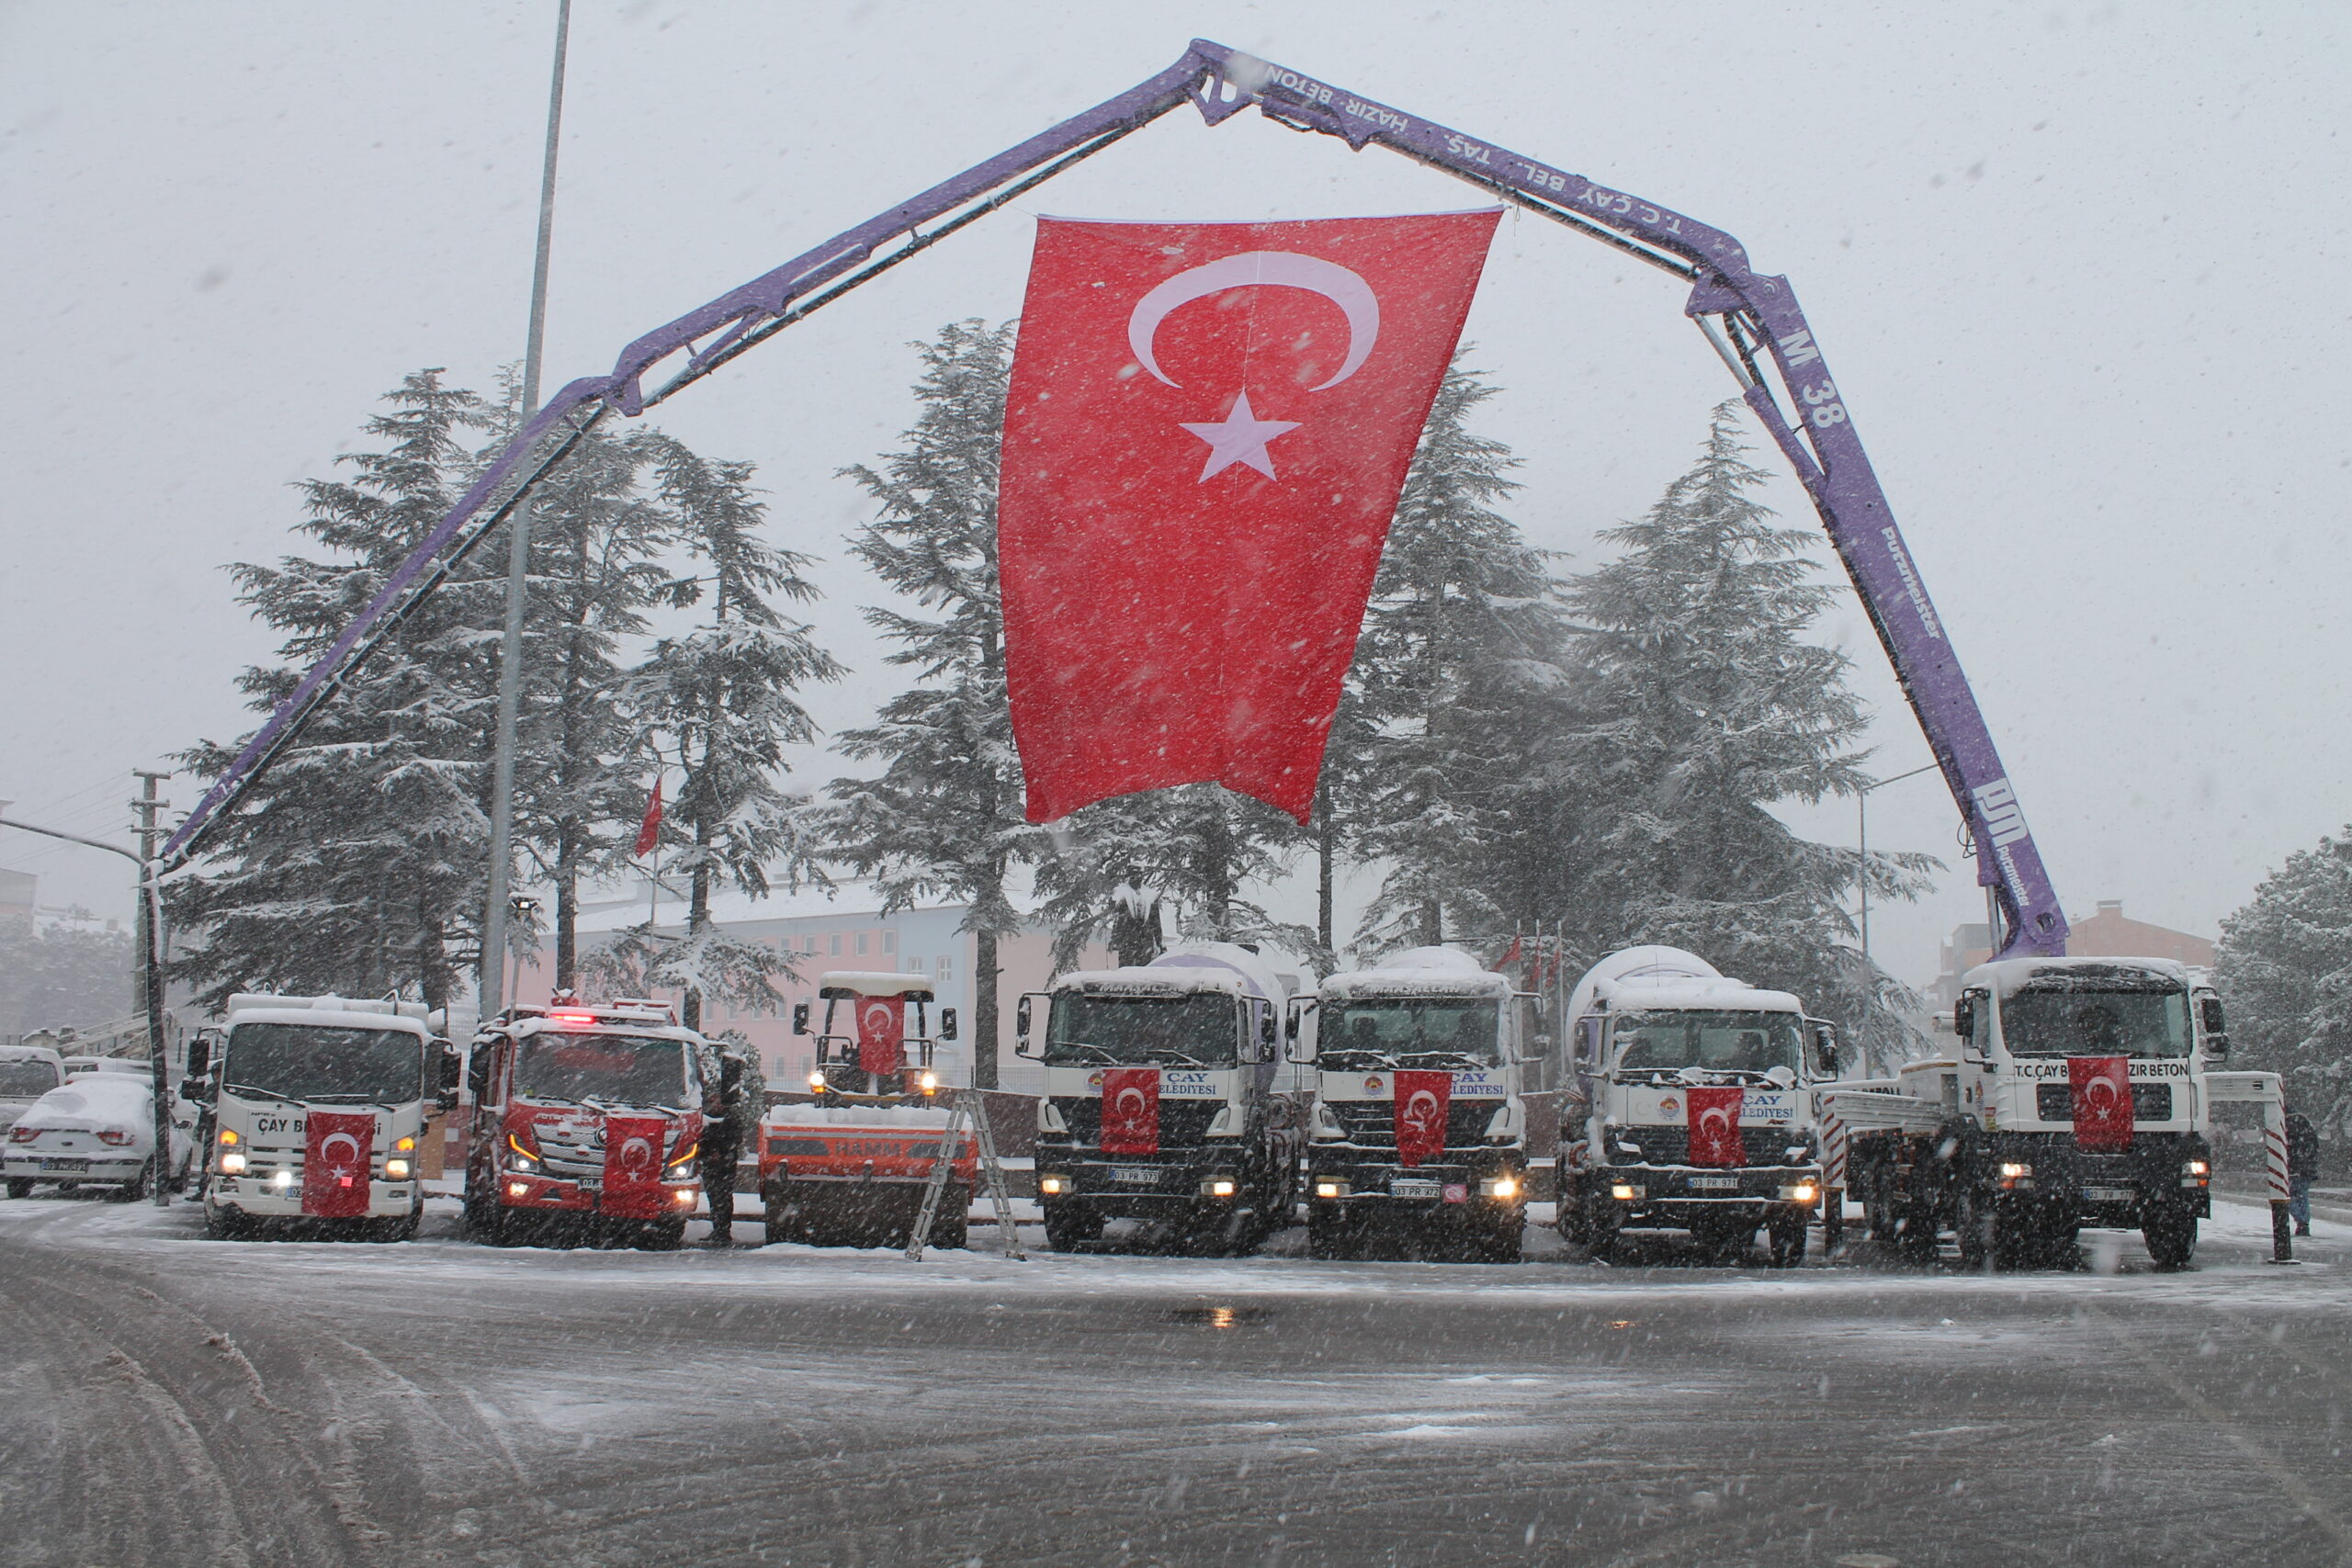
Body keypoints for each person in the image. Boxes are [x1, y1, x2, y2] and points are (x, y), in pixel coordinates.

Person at [701, 1051, 747, 1247]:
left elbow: (734, 1139)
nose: (714, 1103)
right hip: (713, 1164)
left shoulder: (729, 1118)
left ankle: (722, 1230)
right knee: (715, 1197)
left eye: (716, 1100)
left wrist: (721, 1154)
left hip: (724, 1165)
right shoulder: (709, 1119)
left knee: (723, 1197)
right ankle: (718, 1228)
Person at [2286, 1105, 2321, 1237]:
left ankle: (2300, 1220)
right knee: (2302, 1195)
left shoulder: (2288, 1126)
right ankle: (2304, 1222)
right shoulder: (2307, 1126)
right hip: (2307, 1168)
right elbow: (2315, 1146)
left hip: (2294, 1168)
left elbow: (2289, 1148)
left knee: (2288, 1196)